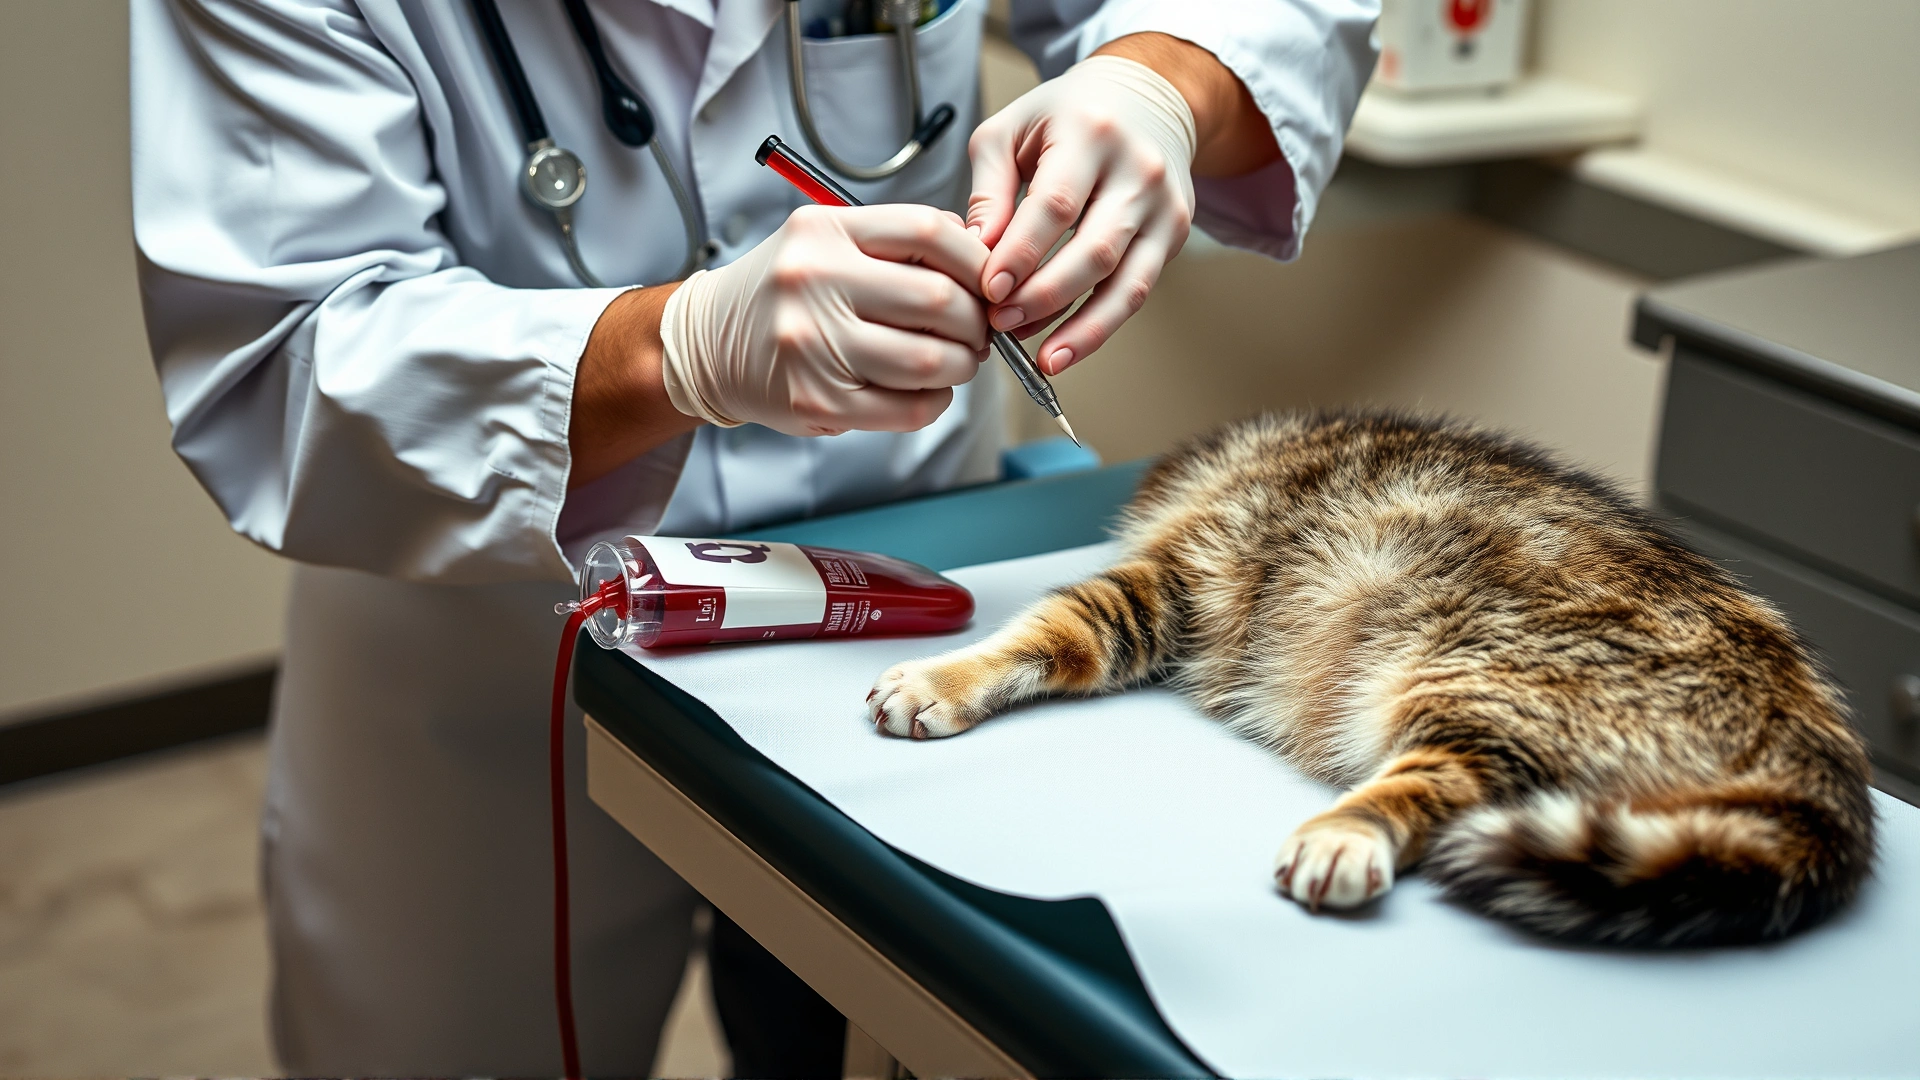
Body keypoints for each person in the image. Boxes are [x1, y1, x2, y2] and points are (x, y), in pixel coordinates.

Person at [131, 0, 1376, 1074]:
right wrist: (674, 349)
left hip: (901, 567)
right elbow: (283, 355)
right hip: (488, 619)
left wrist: (1157, 80)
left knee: (868, 1031)